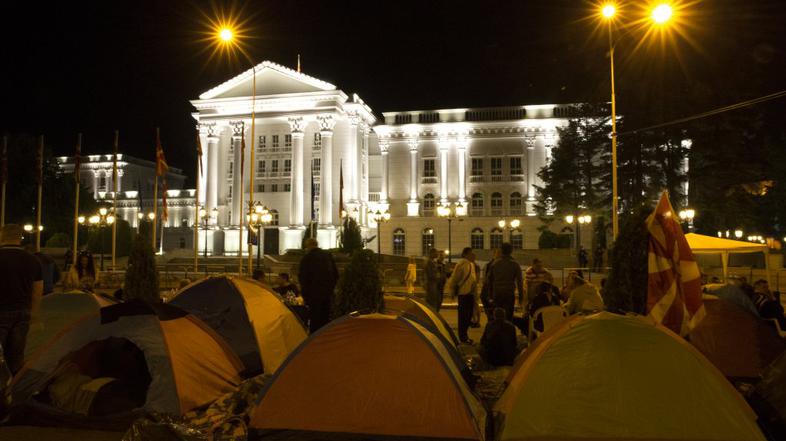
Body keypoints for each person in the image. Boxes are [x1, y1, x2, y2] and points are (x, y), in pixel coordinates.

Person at [0, 224, 43, 374]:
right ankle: (14, 387)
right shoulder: (32, 260)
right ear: (20, 238)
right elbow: (37, 290)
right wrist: (35, 313)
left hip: (1, 311)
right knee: (17, 354)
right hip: (23, 312)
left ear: (2, 236)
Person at [298, 238, 339, 333]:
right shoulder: (327, 256)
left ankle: (314, 340)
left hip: (313, 295)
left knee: (314, 320)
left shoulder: (307, 258)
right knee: (325, 318)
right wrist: (331, 289)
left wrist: (305, 295)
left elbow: (303, 278)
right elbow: (336, 275)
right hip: (327, 294)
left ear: (308, 246)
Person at [447, 247, 479, 344]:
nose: (473, 255)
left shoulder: (471, 265)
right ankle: (463, 338)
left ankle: (465, 336)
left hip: (470, 294)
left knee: (468, 316)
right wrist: (452, 291)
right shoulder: (461, 264)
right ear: (465, 254)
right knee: (463, 317)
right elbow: (455, 278)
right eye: (471, 253)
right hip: (464, 294)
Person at [486, 243, 524, 321]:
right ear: (511, 251)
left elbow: (489, 280)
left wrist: (490, 295)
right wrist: (521, 296)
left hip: (497, 292)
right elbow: (519, 281)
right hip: (509, 292)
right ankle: (508, 330)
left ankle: (498, 331)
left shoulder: (495, 264)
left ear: (502, 250)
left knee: (497, 314)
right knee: (509, 315)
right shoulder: (515, 264)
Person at [481, 248, 502, 320]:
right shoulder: (489, 265)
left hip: (495, 292)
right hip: (491, 292)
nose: (499, 255)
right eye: (498, 253)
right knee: (491, 311)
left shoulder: (489, 265)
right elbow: (485, 280)